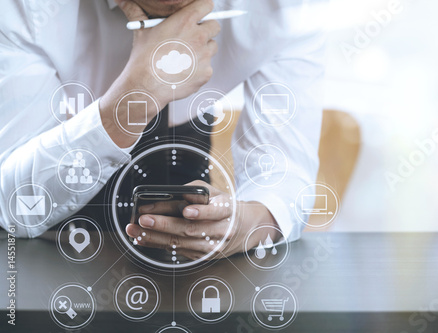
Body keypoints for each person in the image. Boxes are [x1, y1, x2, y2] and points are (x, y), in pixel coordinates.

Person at [0, 0, 326, 260]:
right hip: (39, 257)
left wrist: (250, 221)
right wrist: (134, 98)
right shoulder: (25, 9)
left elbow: (284, 174)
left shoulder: (288, 9)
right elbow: (12, 205)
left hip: (185, 260)